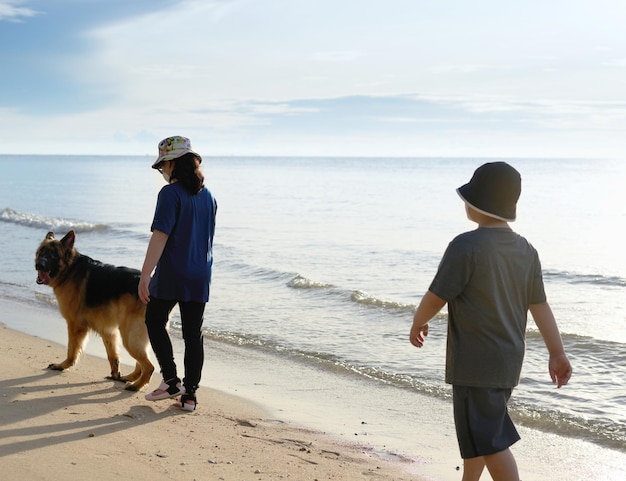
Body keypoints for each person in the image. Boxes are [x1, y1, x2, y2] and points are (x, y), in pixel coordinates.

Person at [409, 162, 572, 481]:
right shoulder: (526, 250)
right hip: (507, 361)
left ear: (477, 203)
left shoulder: (465, 246)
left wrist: (419, 321)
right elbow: (540, 306)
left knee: (490, 439)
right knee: (481, 433)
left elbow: (436, 296)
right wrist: (557, 352)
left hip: (475, 363)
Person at [139, 136, 217, 412]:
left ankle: (171, 382)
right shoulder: (208, 196)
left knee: (154, 320)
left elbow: (160, 237)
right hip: (200, 274)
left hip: (173, 273)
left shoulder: (169, 194)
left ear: (172, 164)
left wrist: (145, 274)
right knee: (193, 335)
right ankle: (190, 396)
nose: (162, 172)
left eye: (163, 167)